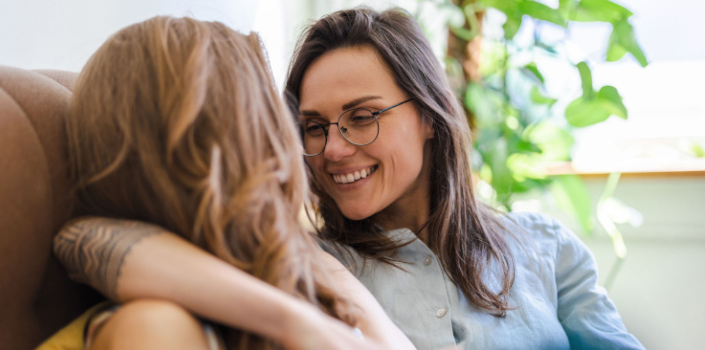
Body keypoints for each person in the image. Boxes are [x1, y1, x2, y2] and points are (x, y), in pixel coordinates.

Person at [53, 7, 644, 350]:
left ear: (430, 116)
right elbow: (84, 239)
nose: (329, 149)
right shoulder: (301, 266)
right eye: (308, 126)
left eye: (363, 117)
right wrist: (313, 315)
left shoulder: (545, 246)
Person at [40, 15, 414, 350]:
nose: (301, 144)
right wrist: (293, 321)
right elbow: (82, 240)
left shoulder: (306, 270)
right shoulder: (155, 328)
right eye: (274, 116)